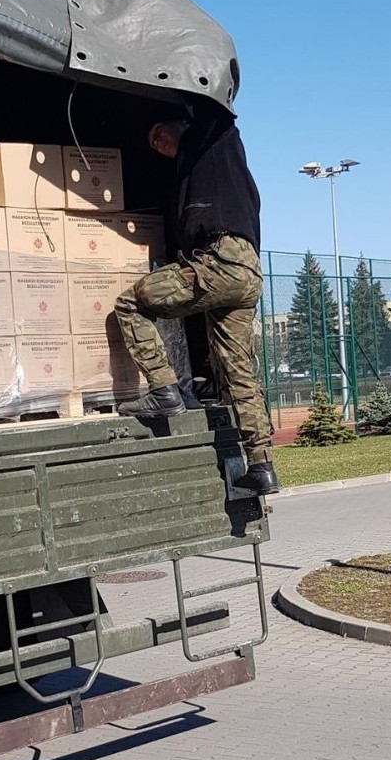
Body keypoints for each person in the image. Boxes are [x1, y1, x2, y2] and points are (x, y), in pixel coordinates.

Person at [113, 106, 279, 495]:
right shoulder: (192, 174)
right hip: (246, 274)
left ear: (182, 122)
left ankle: (164, 390)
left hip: (221, 262)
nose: (159, 143)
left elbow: (213, 111)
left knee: (131, 303)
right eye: (153, 143)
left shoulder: (213, 139)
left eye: (160, 132)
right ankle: (262, 466)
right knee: (236, 369)